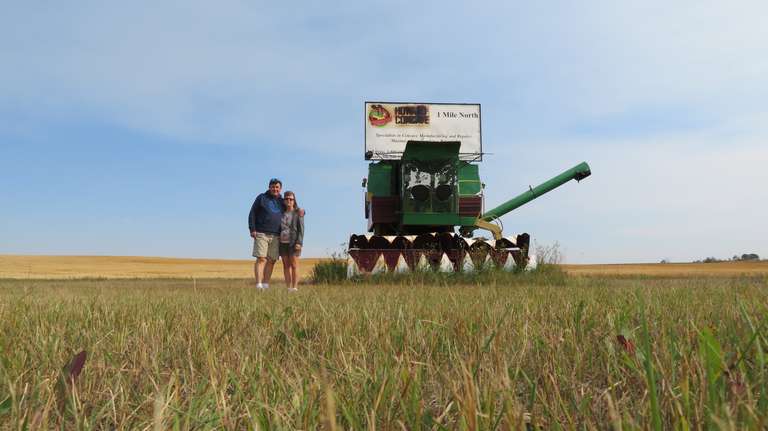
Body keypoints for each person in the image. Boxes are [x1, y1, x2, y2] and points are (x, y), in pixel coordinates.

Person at [248, 178, 284, 289]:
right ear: (269, 187)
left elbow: (292, 208)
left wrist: (301, 211)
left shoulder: (282, 201)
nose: (275, 189)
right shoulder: (261, 198)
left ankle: (265, 284)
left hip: (276, 235)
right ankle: (259, 284)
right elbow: (252, 213)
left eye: (277, 187)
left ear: (280, 189)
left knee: (272, 260)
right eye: (273, 187)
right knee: (261, 258)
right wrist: (252, 229)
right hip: (261, 232)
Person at [279, 191, 304, 291]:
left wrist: (299, 242)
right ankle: (288, 288)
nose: (288, 200)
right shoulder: (281, 213)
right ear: (284, 200)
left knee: (294, 265)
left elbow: (301, 229)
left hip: (294, 242)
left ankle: (294, 287)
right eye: (286, 199)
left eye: (291, 199)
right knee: (286, 265)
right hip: (282, 242)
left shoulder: (298, 213)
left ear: (294, 201)